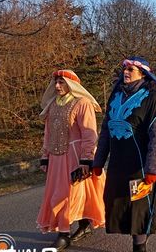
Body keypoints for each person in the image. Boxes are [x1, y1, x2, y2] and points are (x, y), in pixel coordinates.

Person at [93, 57, 156, 252]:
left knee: (139, 207)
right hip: (118, 164)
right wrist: (98, 161)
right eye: (124, 68)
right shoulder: (116, 95)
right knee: (117, 203)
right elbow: (106, 131)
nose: (125, 72)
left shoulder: (154, 99)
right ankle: (138, 238)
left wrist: (152, 169)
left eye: (131, 69)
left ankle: (140, 245)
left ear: (143, 73)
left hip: (141, 165)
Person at [37, 70, 105, 251]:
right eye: (56, 83)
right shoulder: (52, 105)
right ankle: (78, 227)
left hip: (75, 156)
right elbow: (48, 133)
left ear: (72, 84)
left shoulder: (82, 103)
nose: (57, 86)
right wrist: (45, 156)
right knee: (59, 194)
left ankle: (65, 233)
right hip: (56, 156)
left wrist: (86, 159)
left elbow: (89, 133)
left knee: (72, 194)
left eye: (62, 82)